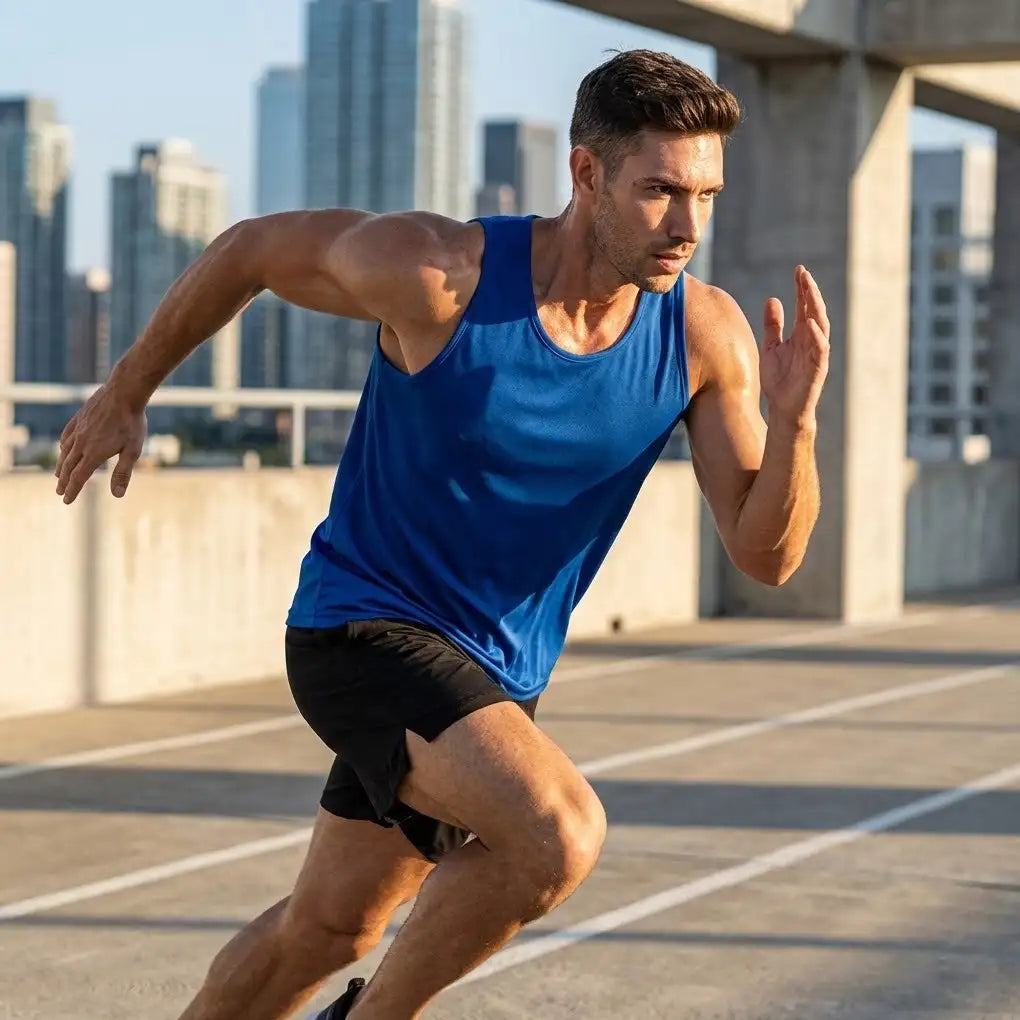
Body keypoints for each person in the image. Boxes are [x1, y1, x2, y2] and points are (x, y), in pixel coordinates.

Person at [54, 49, 829, 1020]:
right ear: (587, 175)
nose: (688, 226)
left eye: (705, 195)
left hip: (495, 679)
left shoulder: (700, 337)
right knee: (557, 834)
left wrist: (795, 428)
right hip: (362, 630)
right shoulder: (440, 275)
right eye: (660, 191)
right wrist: (127, 393)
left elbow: (767, 554)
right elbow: (251, 247)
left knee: (329, 929)